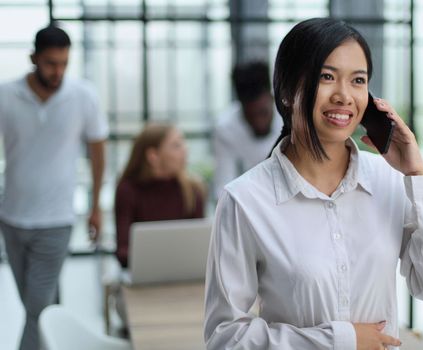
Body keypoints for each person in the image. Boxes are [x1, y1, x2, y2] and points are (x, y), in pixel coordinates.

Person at [204, 18, 423, 350]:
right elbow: (224, 338)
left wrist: (417, 174)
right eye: (327, 77)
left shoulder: (390, 181)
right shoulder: (245, 200)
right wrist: (339, 340)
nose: (344, 95)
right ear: (286, 91)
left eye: (358, 80)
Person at [0, 25, 107, 350]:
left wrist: (95, 205)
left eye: (63, 63)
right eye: (50, 63)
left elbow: (97, 151)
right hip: (12, 218)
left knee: (37, 309)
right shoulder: (6, 95)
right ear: (33, 58)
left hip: (57, 220)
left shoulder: (83, 96)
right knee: (40, 305)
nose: (57, 71)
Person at [114, 122, 206, 268]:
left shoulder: (193, 189)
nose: (185, 150)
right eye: (176, 145)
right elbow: (123, 251)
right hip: (144, 278)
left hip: (186, 275)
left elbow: (200, 246)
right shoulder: (127, 190)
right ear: (153, 156)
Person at [212, 61, 283, 200]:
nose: (258, 121)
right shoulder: (226, 128)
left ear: (272, 98)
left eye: (262, 112)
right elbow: (223, 186)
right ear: (241, 107)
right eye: (250, 115)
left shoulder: (289, 118)